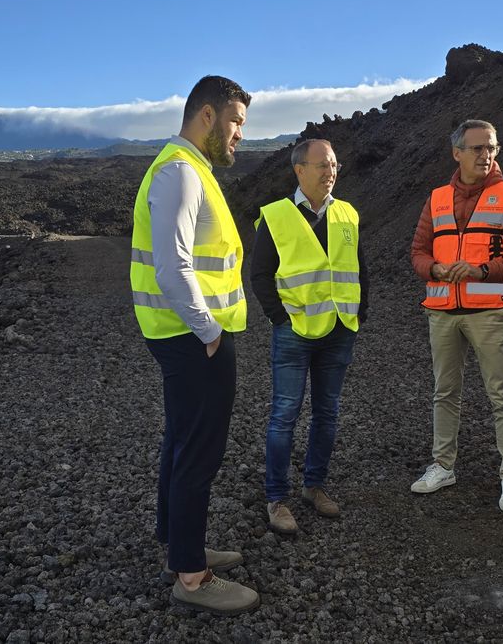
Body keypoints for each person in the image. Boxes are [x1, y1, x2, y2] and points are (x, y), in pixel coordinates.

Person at [129, 75, 259, 616]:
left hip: (182, 336)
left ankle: (179, 544)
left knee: (181, 441)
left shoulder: (188, 170)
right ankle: (192, 576)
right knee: (199, 454)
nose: (238, 136)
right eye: (235, 123)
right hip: (192, 338)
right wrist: (209, 331)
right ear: (206, 116)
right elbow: (172, 266)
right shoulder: (181, 173)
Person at [408, 119, 503, 513]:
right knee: (444, 392)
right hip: (443, 312)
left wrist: (483, 271)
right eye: (478, 148)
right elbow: (418, 252)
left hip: (490, 313)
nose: (486, 155)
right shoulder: (436, 199)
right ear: (457, 153)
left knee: (502, 394)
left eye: (492, 148)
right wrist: (433, 270)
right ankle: (443, 466)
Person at [251, 138, 368, 534]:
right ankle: (276, 497)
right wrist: (279, 318)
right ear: (299, 170)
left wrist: (359, 312)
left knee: (327, 413)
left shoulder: (348, 214)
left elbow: (358, 269)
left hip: (339, 329)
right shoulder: (276, 216)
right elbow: (260, 275)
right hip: (294, 332)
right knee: (284, 414)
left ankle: (314, 487)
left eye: (334, 165)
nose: (330, 172)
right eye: (321, 165)